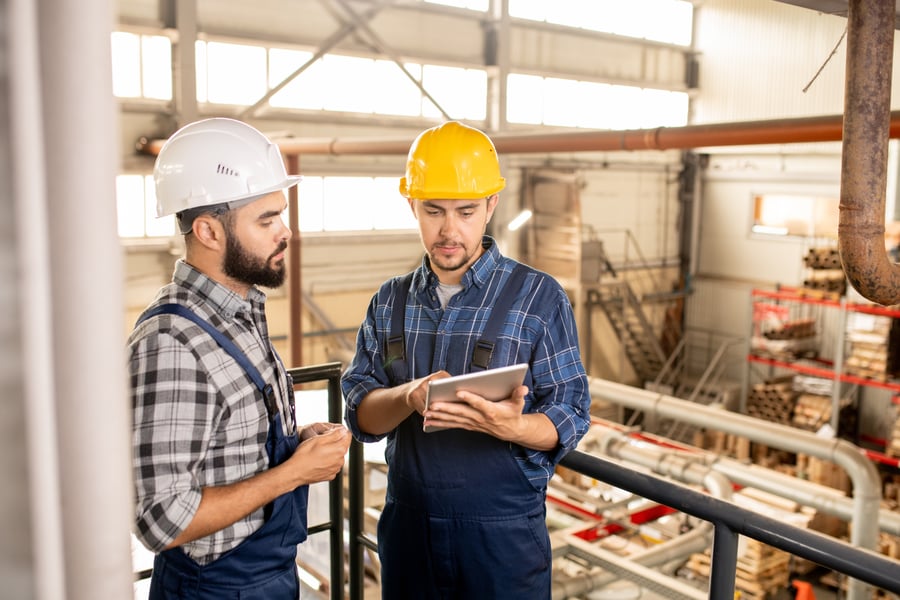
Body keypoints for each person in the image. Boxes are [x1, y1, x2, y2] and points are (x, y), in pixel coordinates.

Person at [340, 120, 592, 599]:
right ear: (411, 203)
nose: (449, 230)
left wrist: (513, 428)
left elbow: (572, 410)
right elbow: (361, 414)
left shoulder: (537, 297)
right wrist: (409, 396)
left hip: (503, 539)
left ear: (491, 205)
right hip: (410, 528)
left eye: (466, 211)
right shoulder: (389, 302)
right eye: (433, 210)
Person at [128, 117, 351, 599]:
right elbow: (161, 520)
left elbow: (228, 445)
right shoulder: (171, 342)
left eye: (281, 214)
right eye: (266, 220)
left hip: (267, 577)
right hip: (216, 589)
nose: (285, 232)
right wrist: (293, 474)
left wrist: (296, 444)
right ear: (208, 230)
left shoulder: (240, 313)